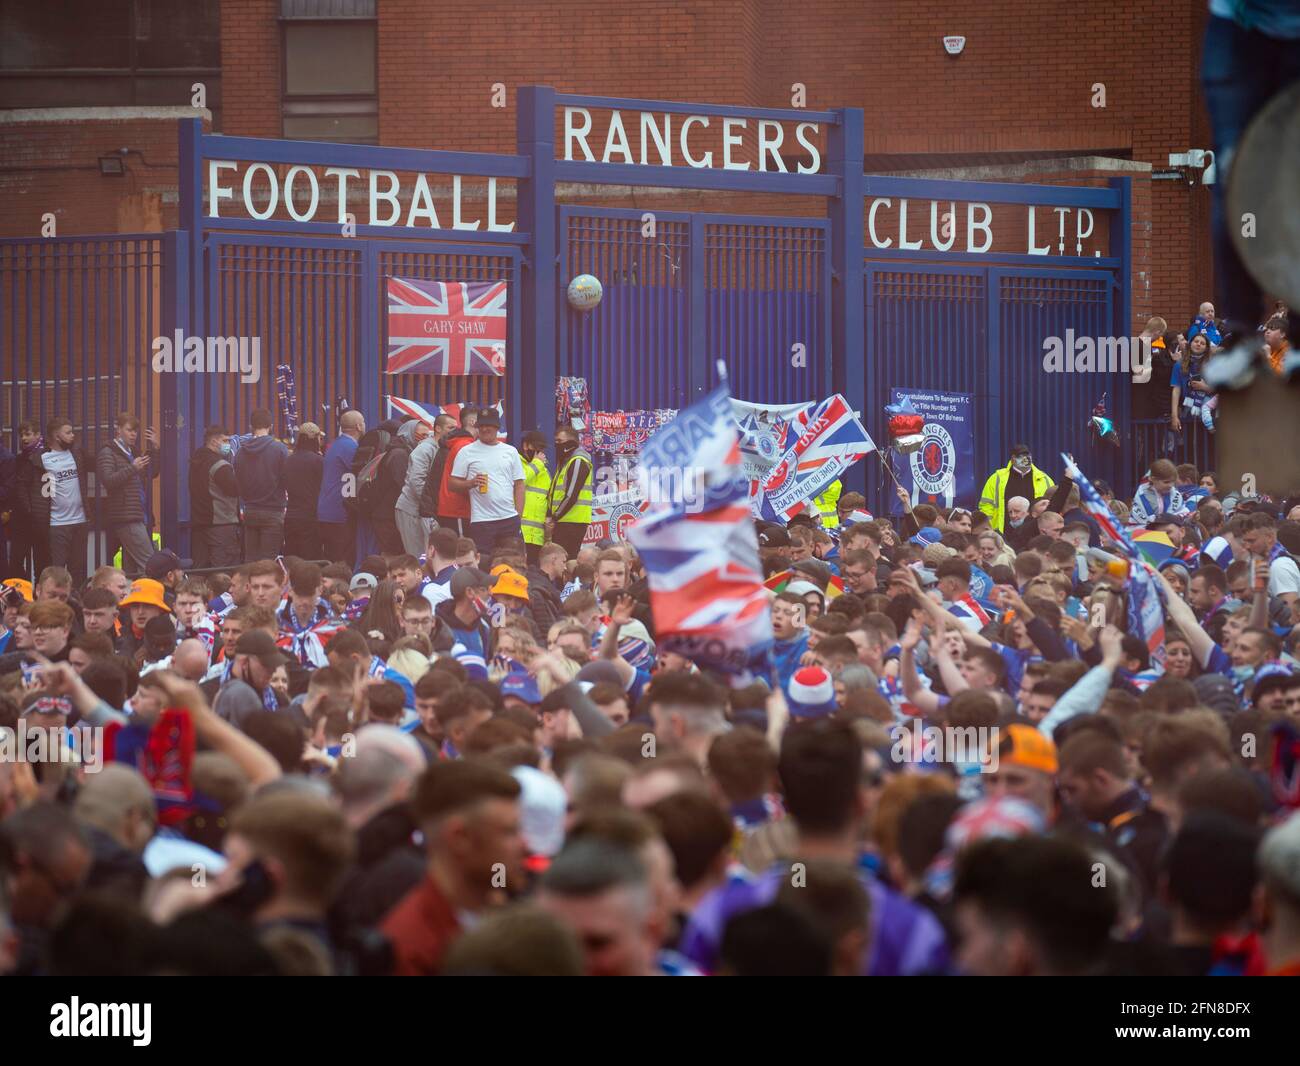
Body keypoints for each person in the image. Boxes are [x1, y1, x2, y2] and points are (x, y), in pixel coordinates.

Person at [381, 761, 524, 976]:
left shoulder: (509, 913)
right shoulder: (413, 951)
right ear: (460, 838)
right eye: (509, 832)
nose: (526, 845)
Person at [19, 417, 90, 587]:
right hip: (57, 524)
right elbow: (22, 486)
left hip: (80, 521)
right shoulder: (41, 459)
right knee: (56, 573)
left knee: (78, 571)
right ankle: (53, 609)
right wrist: (33, 512)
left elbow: (99, 464)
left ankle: (77, 609)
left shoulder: (77, 454)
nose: (73, 435)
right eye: (68, 432)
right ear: (57, 436)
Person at [448, 408, 526, 560]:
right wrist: (471, 483)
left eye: (488, 425)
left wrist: (518, 516)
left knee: (513, 562)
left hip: (509, 518)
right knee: (484, 563)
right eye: (481, 426)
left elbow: (519, 484)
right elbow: (452, 484)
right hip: (482, 521)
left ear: (497, 427)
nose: (484, 429)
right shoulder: (466, 451)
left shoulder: (510, 451)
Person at [95, 413, 159, 575]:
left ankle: (134, 598)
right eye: (129, 430)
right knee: (148, 563)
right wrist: (132, 468)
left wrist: (155, 450)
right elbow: (108, 480)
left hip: (139, 513)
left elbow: (152, 473)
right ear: (118, 430)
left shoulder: (133, 452)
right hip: (126, 516)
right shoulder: (108, 452)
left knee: (132, 569)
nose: (133, 435)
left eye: (135, 432)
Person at [234, 409, 290, 561]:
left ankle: (251, 585)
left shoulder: (240, 452)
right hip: (273, 511)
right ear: (270, 426)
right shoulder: (280, 449)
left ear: (251, 426)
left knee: (250, 560)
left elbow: (237, 481)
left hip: (250, 510)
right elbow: (287, 479)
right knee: (268, 562)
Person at [396, 413, 454, 558]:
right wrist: (431, 506)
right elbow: (416, 481)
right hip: (411, 509)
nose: (454, 431)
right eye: (450, 427)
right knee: (417, 557)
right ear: (438, 429)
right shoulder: (425, 449)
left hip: (424, 510)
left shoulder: (442, 449)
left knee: (428, 555)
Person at [188, 425, 241, 568]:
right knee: (223, 570)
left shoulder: (196, 461)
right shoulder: (220, 465)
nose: (228, 445)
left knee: (200, 570)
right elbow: (234, 489)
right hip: (221, 524)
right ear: (214, 441)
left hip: (199, 524)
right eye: (225, 440)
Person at [421, 407, 477, 539]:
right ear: (473, 422)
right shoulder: (464, 446)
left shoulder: (456, 443)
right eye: (485, 424)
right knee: (460, 552)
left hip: (448, 508)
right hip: (457, 508)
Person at [317, 409, 364, 565]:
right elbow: (361, 475)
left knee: (332, 557)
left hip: (327, 510)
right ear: (358, 426)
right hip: (339, 512)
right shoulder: (350, 448)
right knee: (342, 560)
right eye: (363, 422)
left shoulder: (336, 445)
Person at [978, 444, 1054, 534]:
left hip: (1035, 533)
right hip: (1004, 533)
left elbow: (1053, 506)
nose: (1025, 459)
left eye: (1027, 456)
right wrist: (990, 529)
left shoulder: (1044, 479)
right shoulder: (997, 478)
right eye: (1021, 456)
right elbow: (986, 506)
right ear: (1013, 459)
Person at [548, 424, 593, 559]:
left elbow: (571, 495)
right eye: (555, 442)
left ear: (571, 442)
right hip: (564, 520)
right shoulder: (565, 462)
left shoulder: (578, 461)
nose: (557, 445)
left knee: (566, 561)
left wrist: (554, 517)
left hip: (572, 521)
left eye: (560, 441)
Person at [283, 423, 324, 560]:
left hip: (290, 516)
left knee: (292, 559)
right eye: (319, 437)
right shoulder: (318, 461)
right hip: (310, 518)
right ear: (313, 438)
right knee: (310, 560)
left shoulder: (288, 460)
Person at [519, 431, 552, 568]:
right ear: (526, 446)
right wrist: (537, 464)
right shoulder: (516, 462)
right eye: (537, 447)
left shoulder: (544, 472)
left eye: (542, 449)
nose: (540, 452)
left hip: (537, 537)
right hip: (519, 534)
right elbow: (521, 480)